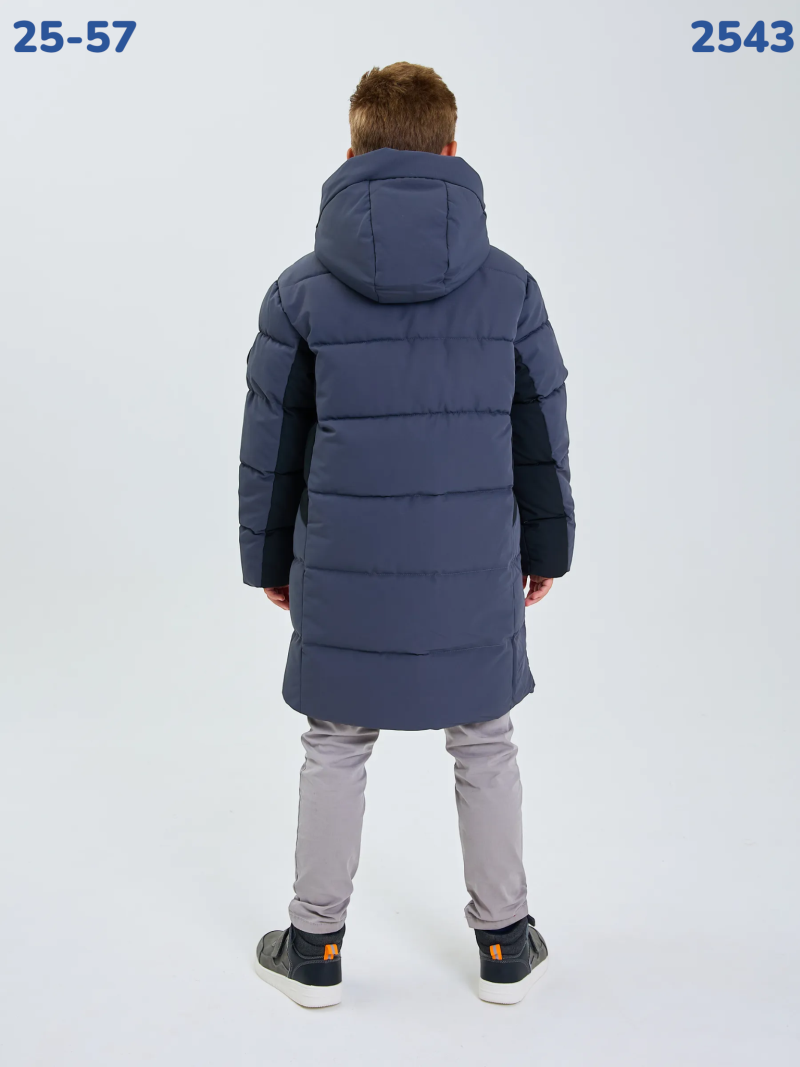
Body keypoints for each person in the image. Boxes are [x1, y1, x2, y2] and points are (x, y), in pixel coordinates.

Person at [238, 62, 574, 1008]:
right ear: (452, 150)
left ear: (351, 152)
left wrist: (270, 561)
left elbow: (272, 446)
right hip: (475, 566)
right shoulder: (511, 288)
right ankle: (505, 943)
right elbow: (541, 430)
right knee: (486, 740)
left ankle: (314, 948)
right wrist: (547, 549)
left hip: (346, 566)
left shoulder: (298, 293)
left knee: (335, 741)